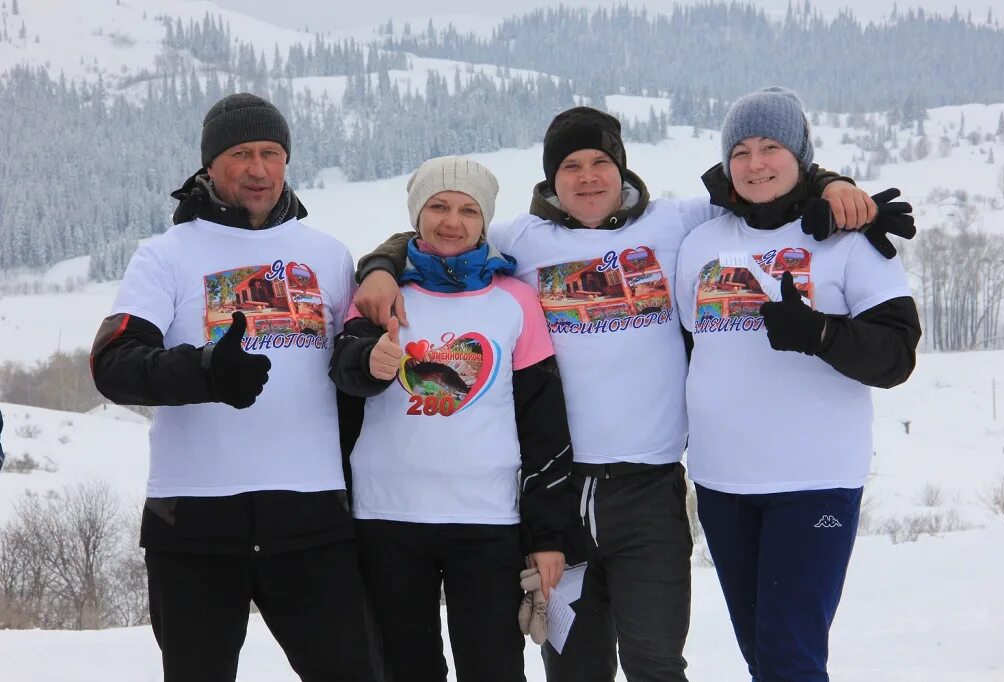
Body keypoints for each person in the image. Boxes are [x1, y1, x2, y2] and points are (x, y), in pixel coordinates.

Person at [351, 107, 903, 682]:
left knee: (656, 662)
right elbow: (442, 234)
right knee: (571, 666)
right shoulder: (521, 238)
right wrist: (382, 264)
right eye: (570, 166)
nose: (587, 177)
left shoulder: (677, 224)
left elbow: (761, 179)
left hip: (649, 493)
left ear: (622, 170)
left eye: (600, 163)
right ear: (551, 179)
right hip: (561, 496)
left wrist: (835, 187)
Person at [90, 93, 376, 682]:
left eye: (272, 153)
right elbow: (113, 362)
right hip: (192, 521)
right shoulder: (166, 256)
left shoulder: (327, 255)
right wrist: (204, 372)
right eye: (241, 153)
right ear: (210, 165)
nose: (258, 169)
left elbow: (355, 365)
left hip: (311, 516)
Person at [674, 86, 921, 682]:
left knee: (789, 657)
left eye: (772, 146)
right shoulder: (702, 240)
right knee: (765, 655)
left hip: (814, 480)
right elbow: (690, 341)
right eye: (741, 151)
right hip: (721, 482)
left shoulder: (853, 238)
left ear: (801, 154)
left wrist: (822, 335)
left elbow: (896, 355)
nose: (756, 164)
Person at [329, 156, 575, 682]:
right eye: (438, 206)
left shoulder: (516, 301)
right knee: (402, 668)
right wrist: (367, 364)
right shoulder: (383, 292)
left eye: (468, 210)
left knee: (494, 668)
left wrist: (548, 534)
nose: (452, 221)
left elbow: (543, 423)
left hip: (486, 520)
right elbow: (344, 373)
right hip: (387, 517)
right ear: (417, 214)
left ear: (485, 221)